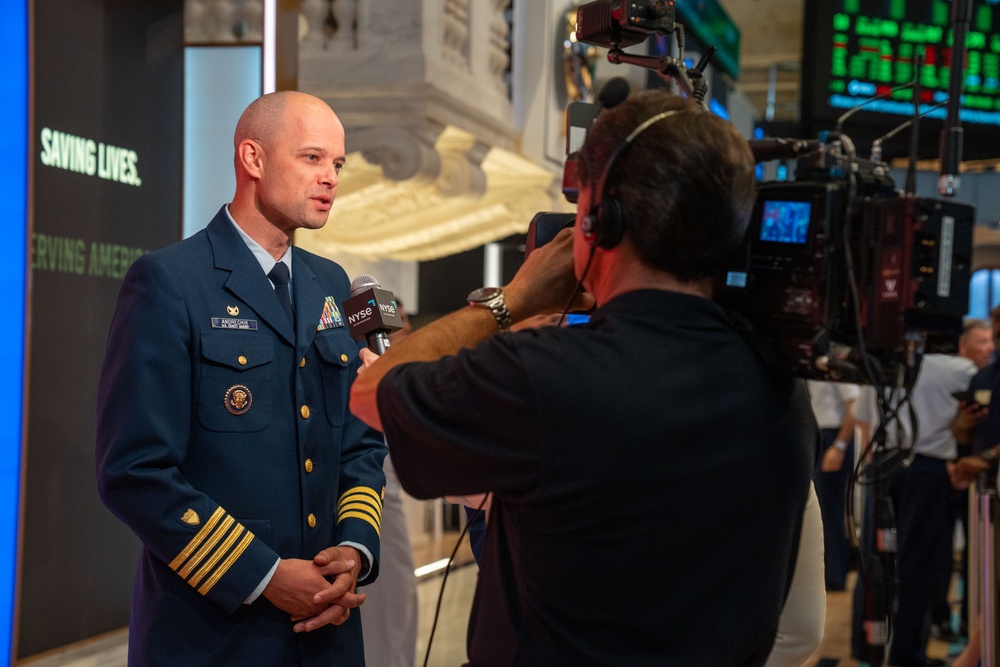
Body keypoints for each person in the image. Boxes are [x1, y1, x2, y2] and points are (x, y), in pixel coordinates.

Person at [314, 90, 816, 664]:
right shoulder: (779, 380)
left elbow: (372, 391)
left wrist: (511, 299)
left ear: (599, 221)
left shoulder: (548, 376)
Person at [95, 91, 387, 666]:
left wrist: (354, 548)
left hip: (327, 632)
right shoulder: (170, 281)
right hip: (213, 634)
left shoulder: (334, 284)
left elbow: (360, 442)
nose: (330, 177)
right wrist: (266, 575)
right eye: (312, 158)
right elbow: (134, 470)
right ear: (252, 159)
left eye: (337, 164)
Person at [850, 320, 992, 667]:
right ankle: (906, 654)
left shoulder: (888, 361)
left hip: (886, 464)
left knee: (876, 561)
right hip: (929, 469)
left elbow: (868, 417)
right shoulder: (960, 369)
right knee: (917, 566)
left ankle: (862, 644)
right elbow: (977, 412)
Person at [359, 300, 418, 667]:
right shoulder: (367, 377)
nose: (407, 332)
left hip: (393, 506)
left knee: (400, 607)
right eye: (401, 326)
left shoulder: (402, 380)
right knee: (383, 617)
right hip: (372, 507)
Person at [807, 380, 859, 591]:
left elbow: (853, 406)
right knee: (824, 509)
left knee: (830, 509)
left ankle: (836, 575)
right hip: (821, 434)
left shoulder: (836, 364)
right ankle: (831, 572)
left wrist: (839, 445)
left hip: (834, 436)